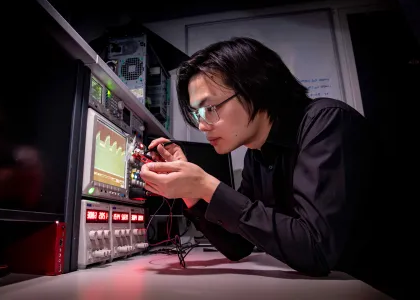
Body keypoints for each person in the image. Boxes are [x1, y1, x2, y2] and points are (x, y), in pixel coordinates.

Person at [140, 37, 381, 286]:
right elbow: (238, 246)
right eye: (197, 113)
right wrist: (190, 193)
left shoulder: (327, 123)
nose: (201, 125)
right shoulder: (256, 154)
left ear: (254, 88)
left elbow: (316, 250)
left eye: (209, 108)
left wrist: (207, 185)